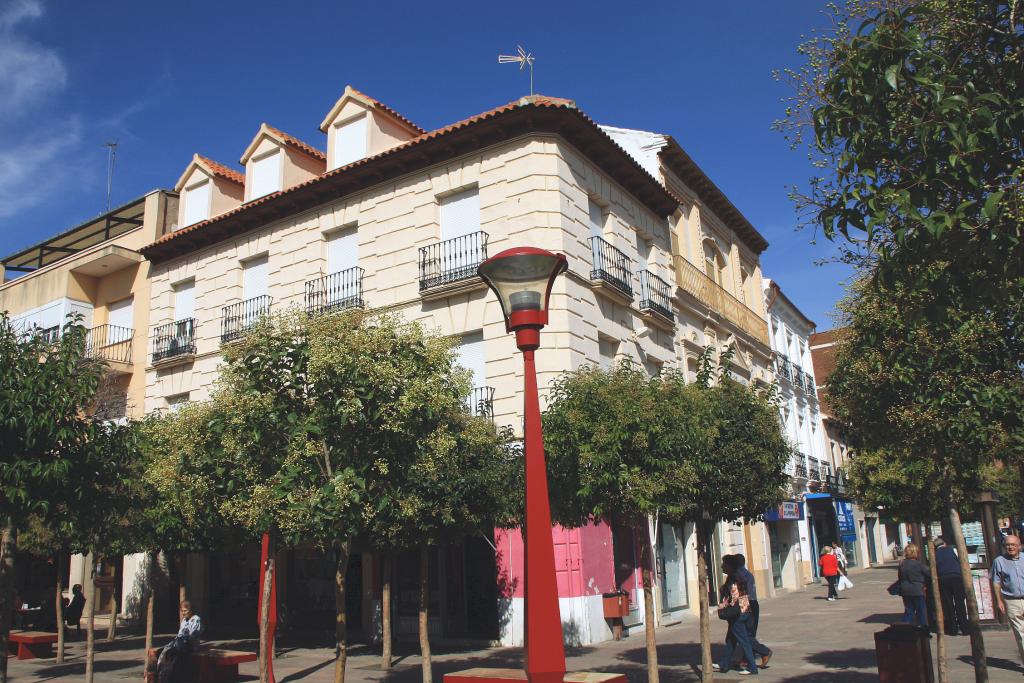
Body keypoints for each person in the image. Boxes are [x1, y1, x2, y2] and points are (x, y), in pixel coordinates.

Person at [730, 554, 772, 667]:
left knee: (746, 633)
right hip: (752, 603)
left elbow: (744, 593)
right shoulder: (747, 573)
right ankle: (746, 659)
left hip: (747, 603)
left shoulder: (739, 575)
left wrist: (742, 611)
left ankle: (764, 652)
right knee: (745, 633)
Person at [712, 580, 759, 676]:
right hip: (737, 624)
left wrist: (721, 608)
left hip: (737, 624)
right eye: (731, 591)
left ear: (739, 590)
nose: (732, 593)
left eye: (734, 590)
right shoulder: (741, 598)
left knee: (745, 644)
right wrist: (726, 605)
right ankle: (724, 664)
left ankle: (752, 668)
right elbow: (745, 614)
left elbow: (736, 614)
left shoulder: (740, 599)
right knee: (730, 643)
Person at [991, 534, 1024, 665]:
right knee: (1021, 633)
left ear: (1019, 546)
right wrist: (999, 600)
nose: (1010, 547)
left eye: (1013, 545)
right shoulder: (999, 561)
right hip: (1012, 600)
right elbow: (996, 582)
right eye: (1007, 545)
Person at [154, 601, 202, 683]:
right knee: (161, 652)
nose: (183, 613)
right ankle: (162, 675)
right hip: (181, 643)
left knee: (174, 654)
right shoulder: (184, 620)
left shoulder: (196, 619)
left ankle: (170, 677)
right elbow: (180, 634)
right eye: (182, 611)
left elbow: (193, 635)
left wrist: (181, 640)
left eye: (185, 611)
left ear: (190, 610)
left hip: (190, 644)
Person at [935, 536, 969, 636]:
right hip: (956, 577)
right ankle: (965, 628)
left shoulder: (935, 554)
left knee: (948, 604)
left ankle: (953, 629)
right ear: (944, 544)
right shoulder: (952, 549)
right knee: (959, 602)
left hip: (943, 578)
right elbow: (961, 560)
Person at [898, 542, 931, 627]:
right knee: (921, 611)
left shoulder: (902, 564)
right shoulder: (919, 564)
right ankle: (923, 628)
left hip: (905, 590)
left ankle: (905, 626)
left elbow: (900, 577)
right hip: (917, 590)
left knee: (909, 611)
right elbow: (929, 573)